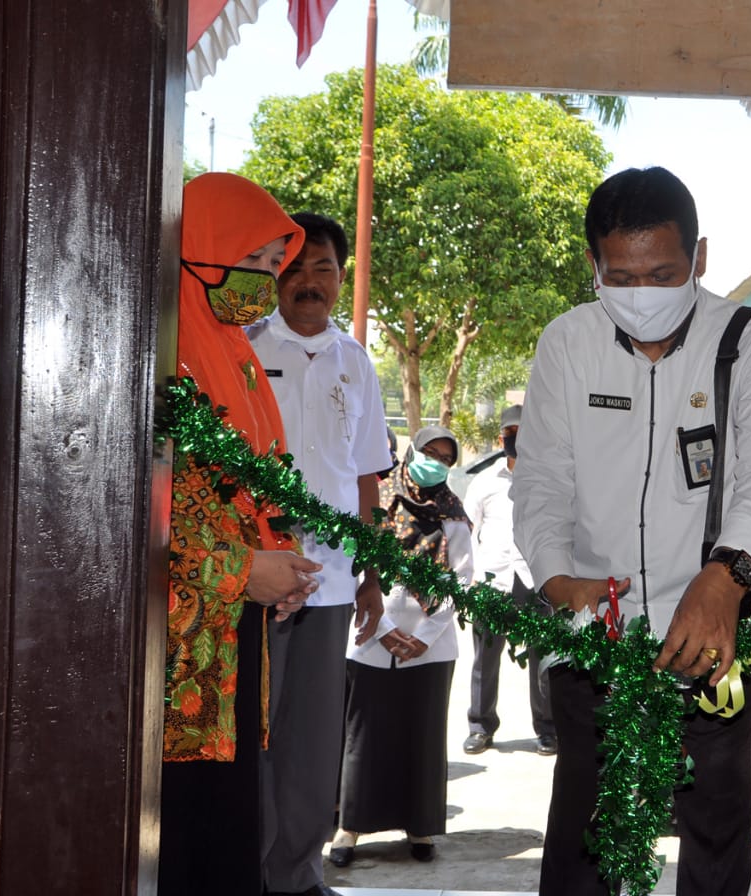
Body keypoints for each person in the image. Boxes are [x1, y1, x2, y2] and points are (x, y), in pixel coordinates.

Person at [512, 166, 751, 896]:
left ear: (699, 258)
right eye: (622, 276)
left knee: (713, 828)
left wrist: (725, 578)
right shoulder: (567, 344)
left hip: (716, 637)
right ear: (594, 266)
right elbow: (540, 480)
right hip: (595, 634)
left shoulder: (747, 339)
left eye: (663, 273)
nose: (642, 293)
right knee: (586, 832)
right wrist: (555, 578)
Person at [160, 172, 322, 896]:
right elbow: (142, 514)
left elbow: (259, 485)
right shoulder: (158, 356)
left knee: (229, 823)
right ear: (198, 248)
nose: (264, 284)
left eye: (270, 267)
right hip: (171, 655)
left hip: (234, 633)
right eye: (251, 262)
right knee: (177, 835)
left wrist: (277, 563)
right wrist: (238, 570)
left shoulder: (238, 357)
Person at [246, 213, 391, 896]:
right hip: (255, 580)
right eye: (294, 267)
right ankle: (247, 869)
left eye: (323, 269)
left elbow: (367, 474)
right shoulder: (242, 346)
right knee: (253, 737)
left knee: (310, 744)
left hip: (331, 584)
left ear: (342, 277)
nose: (309, 283)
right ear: (275, 272)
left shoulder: (356, 362)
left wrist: (370, 577)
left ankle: (298, 875)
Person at [330, 427, 471, 866]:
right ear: (412, 451)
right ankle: (349, 828)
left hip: (431, 647)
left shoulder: (453, 513)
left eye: (445, 458)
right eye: (429, 452)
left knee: (422, 737)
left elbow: (462, 579)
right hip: (371, 636)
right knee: (363, 738)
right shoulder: (379, 502)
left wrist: (424, 638)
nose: (435, 462)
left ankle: (420, 826)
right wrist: (384, 627)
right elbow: (353, 560)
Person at [462, 404, 558, 756]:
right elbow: (467, 532)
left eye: (523, 433)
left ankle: (547, 729)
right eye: (510, 433)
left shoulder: (548, 479)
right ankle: (480, 725)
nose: (515, 439)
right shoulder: (484, 482)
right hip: (494, 580)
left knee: (543, 659)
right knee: (485, 658)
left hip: (536, 580)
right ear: (501, 437)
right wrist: (471, 579)